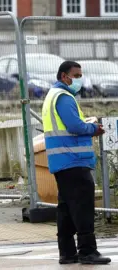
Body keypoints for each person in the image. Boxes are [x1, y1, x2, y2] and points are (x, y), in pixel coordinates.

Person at [42, 61, 110, 265]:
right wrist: (93, 129)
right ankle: (87, 251)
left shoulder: (53, 95)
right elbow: (74, 126)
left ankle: (67, 252)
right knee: (82, 206)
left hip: (62, 160)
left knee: (66, 207)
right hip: (73, 159)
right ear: (64, 76)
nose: (80, 79)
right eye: (76, 75)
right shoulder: (63, 97)